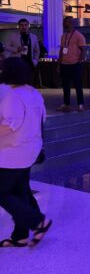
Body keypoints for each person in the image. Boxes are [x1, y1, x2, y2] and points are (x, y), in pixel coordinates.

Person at [0, 58, 52, 248]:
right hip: (30, 150)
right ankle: (20, 236)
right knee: (20, 191)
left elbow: (9, 125)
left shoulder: (13, 96)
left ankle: (38, 222)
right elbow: (43, 119)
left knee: (2, 192)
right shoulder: (33, 92)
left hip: (12, 153)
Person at [57, 16, 86, 112]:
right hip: (64, 64)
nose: (64, 24)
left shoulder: (78, 35)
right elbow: (61, 50)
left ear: (71, 23)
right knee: (65, 86)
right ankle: (66, 104)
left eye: (66, 22)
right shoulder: (63, 36)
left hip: (75, 64)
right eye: (64, 22)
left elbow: (83, 50)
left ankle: (80, 104)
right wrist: (59, 63)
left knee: (78, 85)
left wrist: (79, 61)